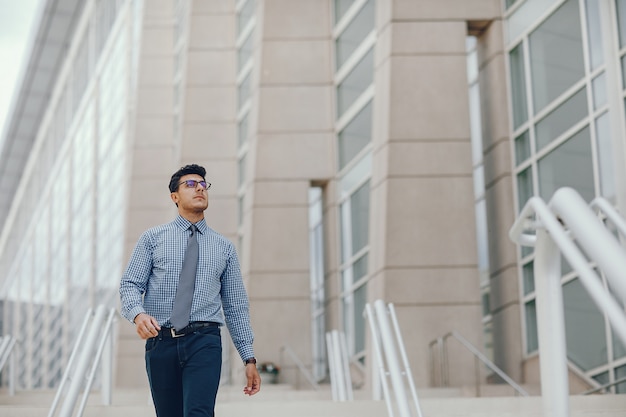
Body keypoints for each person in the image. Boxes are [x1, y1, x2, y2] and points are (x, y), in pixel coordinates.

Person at [119, 164, 261, 417]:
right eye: (191, 185)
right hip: (160, 342)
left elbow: (236, 306)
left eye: (203, 184)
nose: (200, 189)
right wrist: (138, 314)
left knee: (199, 413)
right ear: (174, 197)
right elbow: (130, 284)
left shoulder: (224, 248)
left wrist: (248, 358)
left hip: (204, 341)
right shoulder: (152, 239)